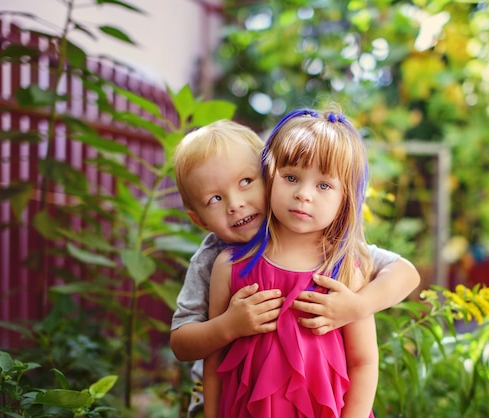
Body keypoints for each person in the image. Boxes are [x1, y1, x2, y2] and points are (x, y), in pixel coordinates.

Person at [169, 119, 420, 417]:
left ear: (265, 175)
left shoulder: (341, 260)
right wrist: (229, 326)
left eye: (246, 182)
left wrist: (357, 307)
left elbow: (405, 275)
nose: (236, 204)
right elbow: (195, 350)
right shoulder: (221, 261)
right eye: (215, 199)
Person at [204, 108, 380, 417]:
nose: (303, 195)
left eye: (323, 185)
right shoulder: (230, 266)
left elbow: (363, 361)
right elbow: (214, 359)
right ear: (268, 178)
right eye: (291, 177)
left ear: (345, 199)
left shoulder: (344, 270)